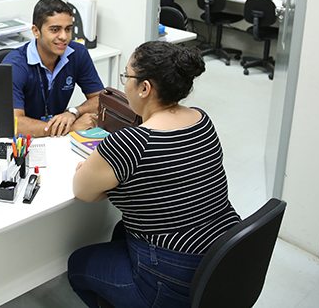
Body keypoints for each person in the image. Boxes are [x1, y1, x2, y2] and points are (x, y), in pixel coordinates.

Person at [67, 41, 240, 308]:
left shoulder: (131, 143)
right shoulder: (202, 120)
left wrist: (94, 169)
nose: (124, 84)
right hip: (224, 257)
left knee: (78, 265)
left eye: (127, 77)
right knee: (121, 230)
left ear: (145, 88)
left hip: (175, 274)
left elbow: (82, 190)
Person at [2, 0, 104, 137]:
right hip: (24, 142)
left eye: (68, 29)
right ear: (36, 31)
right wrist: (70, 128)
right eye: (55, 30)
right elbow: (15, 123)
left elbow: (101, 99)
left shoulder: (78, 53)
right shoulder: (15, 65)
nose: (64, 37)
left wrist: (74, 112)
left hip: (57, 139)